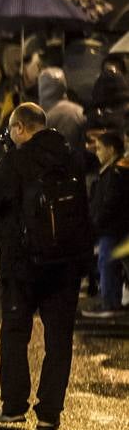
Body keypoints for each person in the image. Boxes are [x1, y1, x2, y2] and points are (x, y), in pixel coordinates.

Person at [0, 102, 92, 430]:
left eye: (12, 130)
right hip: (65, 267)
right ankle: (49, 414)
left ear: (20, 128)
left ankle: (13, 409)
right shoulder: (71, 158)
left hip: (21, 266)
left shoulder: (14, 161)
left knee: (15, 334)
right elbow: (83, 212)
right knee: (59, 340)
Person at [87, 131, 129, 318]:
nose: (97, 152)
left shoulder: (116, 173)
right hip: (111, 228)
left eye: (100, 148)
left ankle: (110, 304)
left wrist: (96, 223)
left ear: (111, 150)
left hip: (112, 229)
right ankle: (111, 301)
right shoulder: (111, 171)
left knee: (107, 264)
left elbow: (110, 203)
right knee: (107, 263)